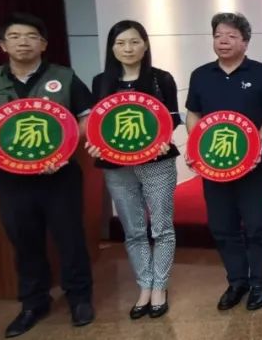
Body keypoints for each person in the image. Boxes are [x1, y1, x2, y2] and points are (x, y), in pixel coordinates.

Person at [0, 13, 95, 337]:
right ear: (3, 45)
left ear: (43, 44)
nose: (23, 42)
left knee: (70, 238)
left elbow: (86, 117)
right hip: (12, 179)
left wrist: (64, 148)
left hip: (59, 175)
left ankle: (79, 298)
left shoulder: (64, 77)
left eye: (31, 36)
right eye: (15, 36)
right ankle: (33, 303)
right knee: (24, 242)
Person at [86, 20, 181, 319]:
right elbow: (97, 124)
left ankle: (160, 287)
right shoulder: (101, 81)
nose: (128, 48)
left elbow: (172, 119)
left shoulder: (161, 79)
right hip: (117, 167)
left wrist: (164, 140)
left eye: (134, 42)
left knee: (162, 228)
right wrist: (96, 144)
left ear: (145, 45)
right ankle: (144, 285)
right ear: (112, 48)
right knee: (134, 230)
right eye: (120, 43)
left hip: (157, 164)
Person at [185, 12, 262, 311]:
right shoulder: (201, 75)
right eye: (218, 36)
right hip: (215, 165)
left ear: (245, 42)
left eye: (231, 36)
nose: (223, 41)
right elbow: (193, 113)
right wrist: (196, 144)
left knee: (257, 225)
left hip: (254, 164)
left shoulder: (261, 73)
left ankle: (260, 282)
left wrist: (259, 141)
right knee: (222, 226)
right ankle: (237, 281)